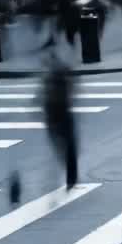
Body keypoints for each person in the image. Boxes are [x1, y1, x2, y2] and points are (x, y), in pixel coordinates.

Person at [40, 55, 78, 190]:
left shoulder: (52, 77)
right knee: (68, 148)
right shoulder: (57, 75)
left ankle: (71, 177)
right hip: (59, 114)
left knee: (66, 148)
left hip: (56, 115)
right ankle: (71, 177)